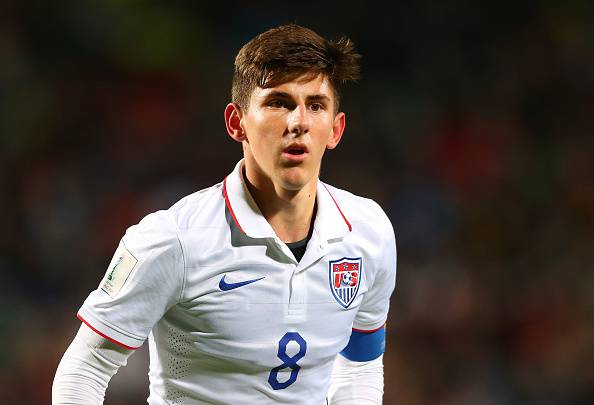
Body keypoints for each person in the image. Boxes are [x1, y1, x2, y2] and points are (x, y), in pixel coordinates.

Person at [52, 24, 397, 404]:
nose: (298, 122)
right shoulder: (174, 240)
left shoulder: (369, 232)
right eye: (278, 102)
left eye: (315, 105)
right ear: (237, 123)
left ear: (335, 129)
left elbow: (360, 364)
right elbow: (85, 369)